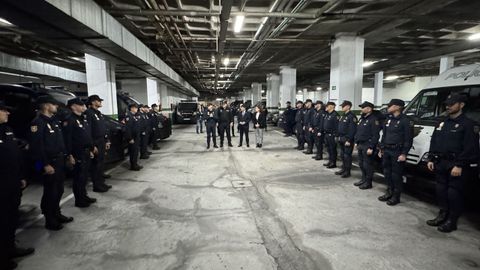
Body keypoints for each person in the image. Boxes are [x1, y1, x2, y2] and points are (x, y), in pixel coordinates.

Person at [426, 94, 480, 233]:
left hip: (456, 164)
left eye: (452, 104)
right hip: (441, 162)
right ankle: (442, 215)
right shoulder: (442, 123)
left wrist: (460, 164)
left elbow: (471, 148)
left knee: (454, 194)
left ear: (461, 105)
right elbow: (434, 141)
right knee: (441, 191)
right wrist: (431, 158)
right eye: (447, 104)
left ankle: (452, 220)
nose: (448, 106)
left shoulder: (469, 124)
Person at [29, 96, 74, 230]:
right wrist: (44, 165)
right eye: (53, 104)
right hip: (49, 163)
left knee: (59, 189)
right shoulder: (37, 123)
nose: (56, 106)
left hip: (59, 161)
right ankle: (49, 219)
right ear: (46, 106)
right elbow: (36, 147)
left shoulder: (54, 121)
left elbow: (60, 142)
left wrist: (67, 155)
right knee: (50, 191)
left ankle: (57, 213)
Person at [0, 101, 34, 270]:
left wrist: (21, 176)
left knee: (11, 218)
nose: (8, 113)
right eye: (4, 111)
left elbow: (15, 155)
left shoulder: (7, 130)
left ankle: (10, 248)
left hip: (13, 182)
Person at [378, 99, 413, 206]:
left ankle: (396, 196)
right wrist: (381, 148)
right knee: (387, 173)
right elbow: (384, 135)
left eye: (390, 106)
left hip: (397, 151)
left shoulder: (405, 120)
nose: (388, 108)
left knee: (396, 175)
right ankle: (389, 192)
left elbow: (408, 139)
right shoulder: (388, 119)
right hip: (387, 150)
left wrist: (404, 153)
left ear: (397, 107)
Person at [63, 98, 97, 208]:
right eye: (80, 105)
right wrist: (70, 155)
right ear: (73, 106)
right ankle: (79, 200)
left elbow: (86, 135)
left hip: (86, 151)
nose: (83, 106)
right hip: (77, 153)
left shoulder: (83, 118)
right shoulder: (70, 120)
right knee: (79, 177)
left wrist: (91, 148)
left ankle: (84, 196)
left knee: (84, 176)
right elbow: (67, 139)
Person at [85, 95, 111, 193]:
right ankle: (97, 186)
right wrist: (92, 146)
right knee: (96, 165)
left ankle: (101, 183)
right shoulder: (89, 113)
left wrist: (107, 140)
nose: (100, 102)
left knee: (100, 164)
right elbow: (88, 131)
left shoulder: (98, 113)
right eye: (98, 101)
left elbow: (103, 128)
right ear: (92, 102)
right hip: (95, 142)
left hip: (102, 141)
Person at [354, 101, 381, 190]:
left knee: (368, 165)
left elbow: (376, 135)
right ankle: (363, 179)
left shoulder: (373, 120)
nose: (361, 109)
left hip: (367, 145)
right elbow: (358, 132)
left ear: (369, 109)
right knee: (361, 164)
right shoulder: (362, 119)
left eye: (363, 107)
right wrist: (356, 142)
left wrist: (371, 147)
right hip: (361, 144)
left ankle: (368, 182)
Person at [335, 100, 357, 178]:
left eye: (343, 106)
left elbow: (352, 130)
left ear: (348, 106)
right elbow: (340, 127)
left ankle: (347, 171)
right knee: (342, 155)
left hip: (347, 139)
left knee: (347, 156)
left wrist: (349, 140)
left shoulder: (352, 116)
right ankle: (343, 169)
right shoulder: (343, 115)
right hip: (341, 138)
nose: (342, 107)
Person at [124, 104, 143, 171]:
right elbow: (128, 128)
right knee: (133, 152)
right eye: (135, 108)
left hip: (136, 136)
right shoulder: (129, 116)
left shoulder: (134, 116)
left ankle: (135, 163)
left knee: (136, 151)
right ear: (131, 108)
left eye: (137, 108)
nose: (137, 109)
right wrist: (130, 138)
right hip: (132, 138)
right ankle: (133, 166)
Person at [323, 102, 339, 168]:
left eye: (327, 106)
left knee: (333, 150)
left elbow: (337, 126)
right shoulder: (328, 114)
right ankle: (330, 161)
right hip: (327, 134)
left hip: (332, 135)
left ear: (332, 106)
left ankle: (333, 163)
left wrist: (336, 135)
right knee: (329, 149)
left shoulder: (335, 115)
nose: (326, 107)